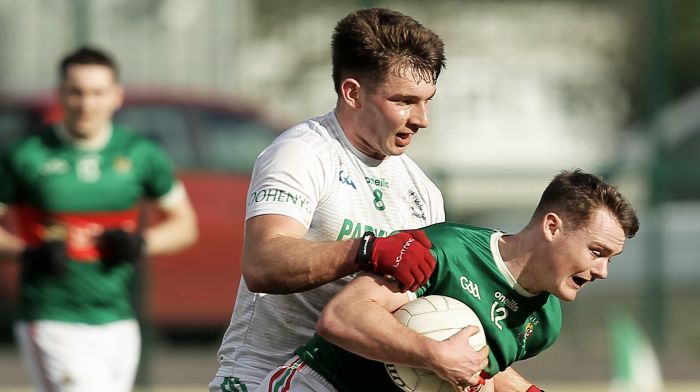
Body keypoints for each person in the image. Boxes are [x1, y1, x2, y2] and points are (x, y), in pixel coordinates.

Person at [210, 7, 459, 392]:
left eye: (427, 100)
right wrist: (365, 250)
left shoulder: (422, 191)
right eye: (404, 100)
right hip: (264, 376)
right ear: (353, 92)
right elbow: (262, 262)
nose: (422, 118)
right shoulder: (303, 152)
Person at [256, 169, 640, 392]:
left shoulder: (543, 323)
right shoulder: (448, 249)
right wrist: (433, 356)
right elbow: (341, 317)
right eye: (596, 252)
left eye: (610, 259)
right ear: (552, 227)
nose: (602, 271)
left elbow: (476, 367)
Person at [0, 46, 198, 392]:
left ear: (116, 96)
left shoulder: (140, 155)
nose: (86, 103)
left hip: (118, 318)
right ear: (60, 94)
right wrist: (27, 253)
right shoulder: (25, 156)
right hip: (52, 316)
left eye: (97, 92)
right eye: (76, 92)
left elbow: (185, 225)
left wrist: (141, 243)